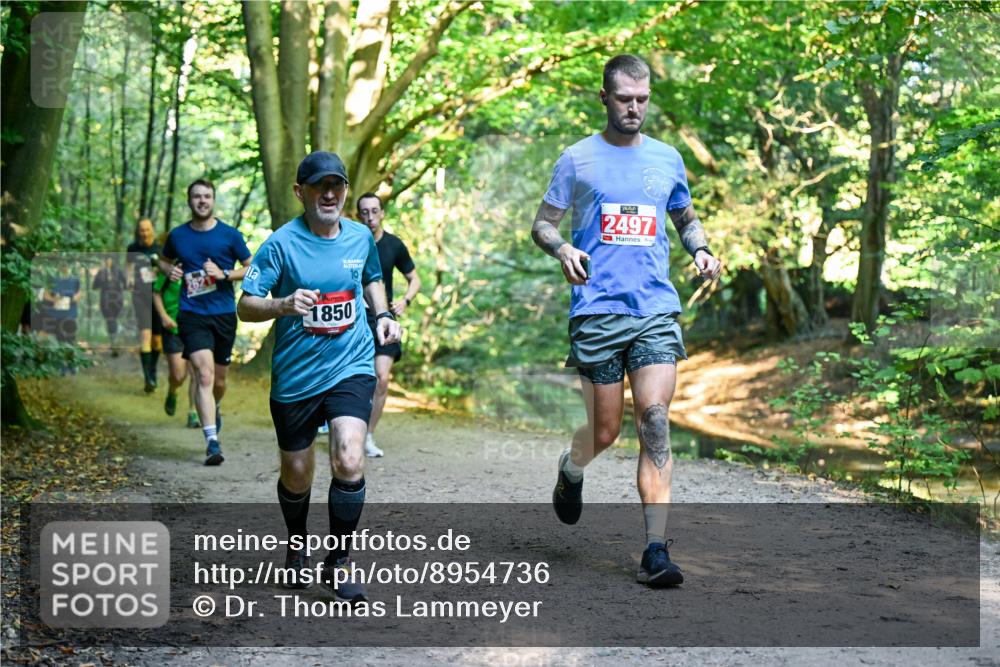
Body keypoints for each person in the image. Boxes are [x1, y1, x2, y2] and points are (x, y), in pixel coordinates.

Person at [530, 55, 721, 587]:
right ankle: (572, 470)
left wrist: (701, 250)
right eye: (624, 99)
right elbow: (542, 224)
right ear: (605, 99)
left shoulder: (667, 158)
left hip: (654, 309)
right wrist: (562, 247)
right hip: (596, 310)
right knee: (605, 430)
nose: (634, 108)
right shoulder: (577, 159)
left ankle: (655, 550)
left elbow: (685, 217)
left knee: (655, 420)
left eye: (642, 99)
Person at [238, 151, 401, 603]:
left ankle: (339, 561)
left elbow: (372, 279)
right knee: (297, 472)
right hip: (297, 375)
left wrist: (383, 314)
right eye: (319, 187)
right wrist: (283, 304)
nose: (329, 194)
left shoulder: (360, 237)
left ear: (345, 191)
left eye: (337, 186)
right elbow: (245, 305)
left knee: (349, 456)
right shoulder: (280, 244)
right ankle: (296, 546)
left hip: (351, 364)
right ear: (300, 192)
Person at [162, 179, 252, 465]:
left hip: (223, 314)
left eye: (207, 196)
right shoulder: (178, 235)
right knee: (203, 374)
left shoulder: (230, 235)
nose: (202, 201)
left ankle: (216, 405)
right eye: (197, 196)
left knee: (219, 382)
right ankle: (212, 442)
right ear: (189, 201)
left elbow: (252, 268)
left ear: (213, 200)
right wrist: (169, 271)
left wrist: (224, 274)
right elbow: (163, 261)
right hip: (192, 314)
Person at [323, 193, 420, 458]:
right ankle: (339, 423)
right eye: (364, 212)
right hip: (351, 318)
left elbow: (414, 278)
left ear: (382, 213)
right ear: (358, 215)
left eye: (375, 211)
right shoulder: (349, 242)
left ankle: (367, 436)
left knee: (381, 378)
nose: (370, 217)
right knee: (345, 376)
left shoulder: (394, 244)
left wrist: (405, 301)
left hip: (383, 317)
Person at [152, 237, 200, 429]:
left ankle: (192, 412)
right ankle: (172, 390)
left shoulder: (199, 270)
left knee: (197, 372)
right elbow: (156, 293)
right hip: (173, 328)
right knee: (179, 375)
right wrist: (164, 316)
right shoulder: (170, 270)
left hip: (195, 328)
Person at [127, 218, 164, 392]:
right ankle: (148, 378)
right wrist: (129, 280)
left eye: (147, 229)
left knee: (157, 341)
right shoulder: (132, 248)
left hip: (158, 298)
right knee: (145, 336)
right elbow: (128, 267)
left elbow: (167, 270)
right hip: (140, 297)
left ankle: (153, 371)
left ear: (152, 230)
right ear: (138, 231)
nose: (144, 233)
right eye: (142, 230)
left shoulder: (160, 249)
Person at [92, 256, 127, 354]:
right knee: (110, 320)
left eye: (110, 259)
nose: (108, 261)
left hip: (117, 300)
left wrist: (122, 289)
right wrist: (100, 279)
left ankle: (115, 337)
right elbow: (94, 286)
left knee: (112, 320)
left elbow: (125, 283)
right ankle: (113, 342)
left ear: (112, 261)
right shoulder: (101, 272)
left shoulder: (118, 271)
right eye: (106, 259)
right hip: (106, 301)